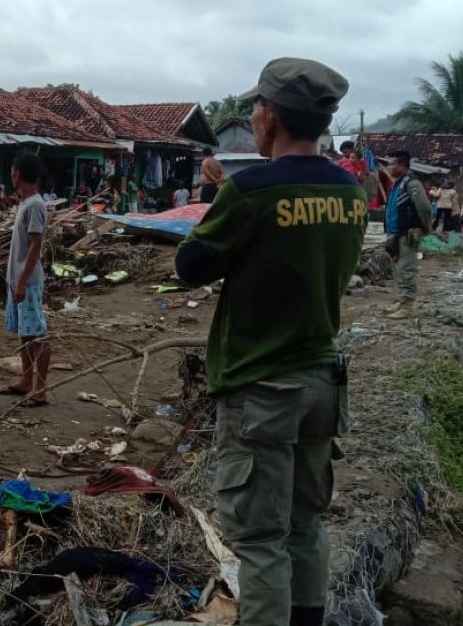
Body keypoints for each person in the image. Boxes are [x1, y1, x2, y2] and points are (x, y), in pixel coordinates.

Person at [175, 58, 366, 626]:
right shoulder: (350, 189)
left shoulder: (252, 190)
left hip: (261, 387)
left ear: (271, 115)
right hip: (321, 382)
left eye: (256, 108)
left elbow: (191, 266)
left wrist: (217, 197)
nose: (254, 119)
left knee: (260, 540)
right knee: (306, 525)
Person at [0, 153, 51, 407]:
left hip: (27, 281)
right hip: (17, 278)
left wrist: (21, 282)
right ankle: (26, 380)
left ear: (18, 173)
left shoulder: (36, 205)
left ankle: (40, 389)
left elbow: (35, 247)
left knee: (37, 334)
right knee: (26, 334)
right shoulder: (25, 203)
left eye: (12, 171)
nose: (11, 176)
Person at [383, 151, 432, 320]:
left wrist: (424, 228)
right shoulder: (397, 184)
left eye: (392, 164)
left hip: (408, 233)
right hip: (395, 234)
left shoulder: (412, 183)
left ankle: (407, 305)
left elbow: (424, 207)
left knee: (407, 268)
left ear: (402, 166)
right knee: (397, 269)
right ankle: (401, 300)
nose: (389, 167)